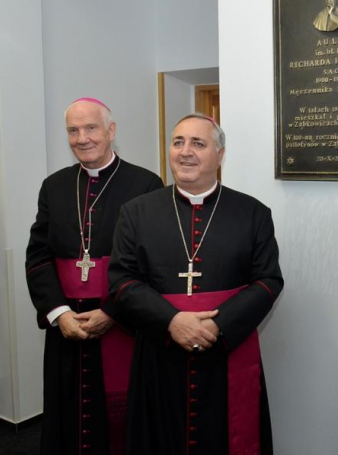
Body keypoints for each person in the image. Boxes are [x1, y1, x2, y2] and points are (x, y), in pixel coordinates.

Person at [108, 114, 283, 455]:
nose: (185, 152)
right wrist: (172, 321)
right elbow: (121, 280)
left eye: (198, 144)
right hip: (160, 352)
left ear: (220, 155)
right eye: (178, 142)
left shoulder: (252, 213)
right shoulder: (136, 212)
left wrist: (217, 326)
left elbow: (268, 281)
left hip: (226, 351)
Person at [25, 98, 162, 454]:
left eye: (91, 128)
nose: (82, 138)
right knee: (66, 414)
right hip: (67, 325)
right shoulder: (53, 186)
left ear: (111, 131)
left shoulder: (146, 184)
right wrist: (59, 313)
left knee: (123, 420)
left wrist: (113, 313)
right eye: (73, 130)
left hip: (121, 322)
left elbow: (153, 262)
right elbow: (39, 255)